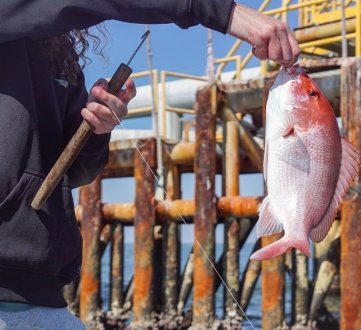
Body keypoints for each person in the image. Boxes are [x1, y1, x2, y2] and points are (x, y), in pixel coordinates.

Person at [0, 1, 300, 328]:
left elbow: (75, 172)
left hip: (45, 295)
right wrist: (223, 12)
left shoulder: (59, 55)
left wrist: (97, 129)